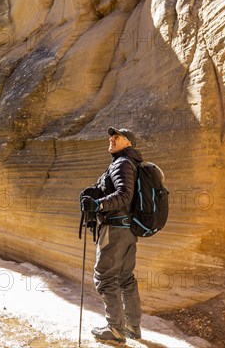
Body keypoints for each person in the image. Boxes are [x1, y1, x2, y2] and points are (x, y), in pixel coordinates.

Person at [80, 127, 142, 343]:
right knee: (125, 278)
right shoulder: (130, 163)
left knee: (105, 277)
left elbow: (125, 195)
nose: (111, 139)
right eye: (111, 136)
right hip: (128, 230)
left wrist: (98, 203)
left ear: (129, 143)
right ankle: (133, 328)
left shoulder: (122, 163)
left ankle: (115, 330)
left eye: (117, 137)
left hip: (115, 230)